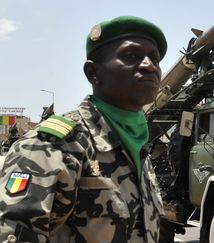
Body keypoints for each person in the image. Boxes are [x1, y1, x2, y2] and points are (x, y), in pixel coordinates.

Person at [0, 16, 167, 243]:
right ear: (93, 73)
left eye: (155, 59)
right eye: (131, 56)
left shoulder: (137, 148)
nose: (149, 66)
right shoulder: (53, 145)